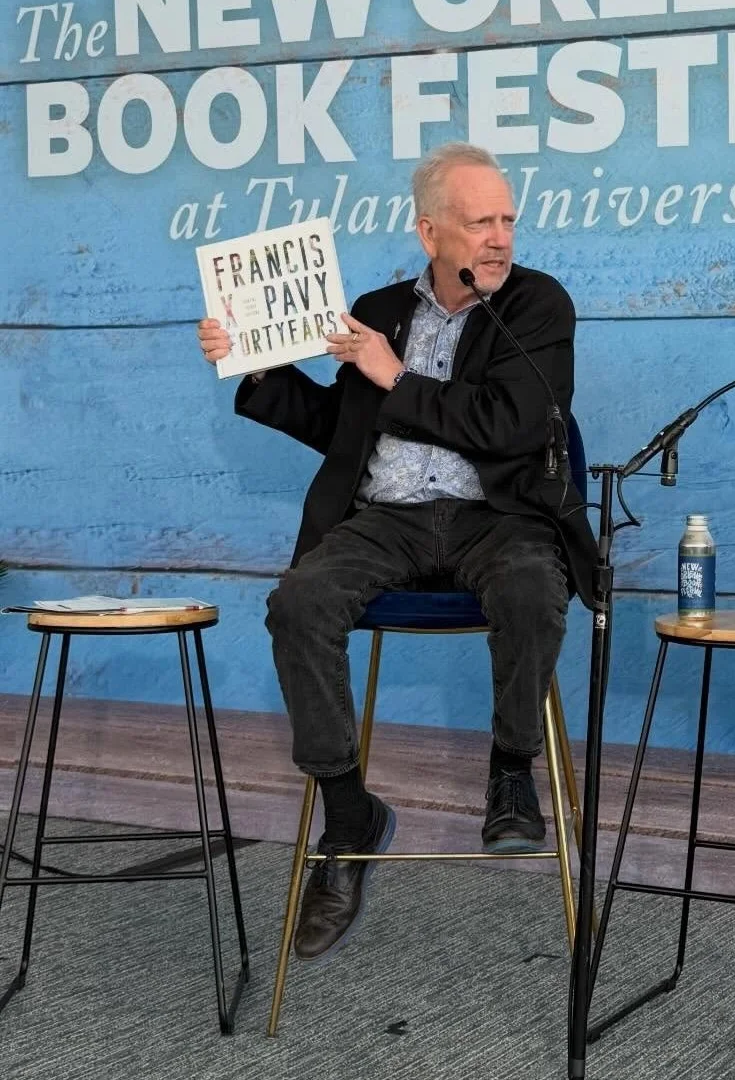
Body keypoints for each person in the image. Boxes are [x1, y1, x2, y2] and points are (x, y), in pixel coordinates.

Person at [197, 142, 597, 960]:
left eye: (507, 220)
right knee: (298, 602)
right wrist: (253, 364)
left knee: (529, 587)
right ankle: (348, 815)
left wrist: (392, 378)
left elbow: (514, 427)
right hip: (389, 517)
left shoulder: (537, 307)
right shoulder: (377, 311)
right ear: (429, 231)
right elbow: (333, 428)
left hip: (499, 515)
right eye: (478, 221)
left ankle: (512, 772)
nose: (498, 237)